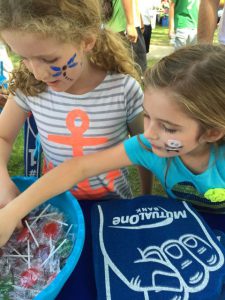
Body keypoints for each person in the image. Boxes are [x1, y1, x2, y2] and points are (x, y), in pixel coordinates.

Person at [1, 43, 225, 247]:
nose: (149, 133)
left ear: (212, 132)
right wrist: (13, 212)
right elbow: (77, 168)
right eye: (147, 115)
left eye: (169, 128)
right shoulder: (148, 147)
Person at [0, 0, 153, 210]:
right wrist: (1, 181)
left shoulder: (123, 90)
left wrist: (146, 196)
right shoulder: (30, 87)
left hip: (113, 209)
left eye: (50, 59)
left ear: (87, 40)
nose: (38, 73)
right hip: (58, 207)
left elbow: (144, 147)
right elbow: (3, 136)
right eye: (24, 57)